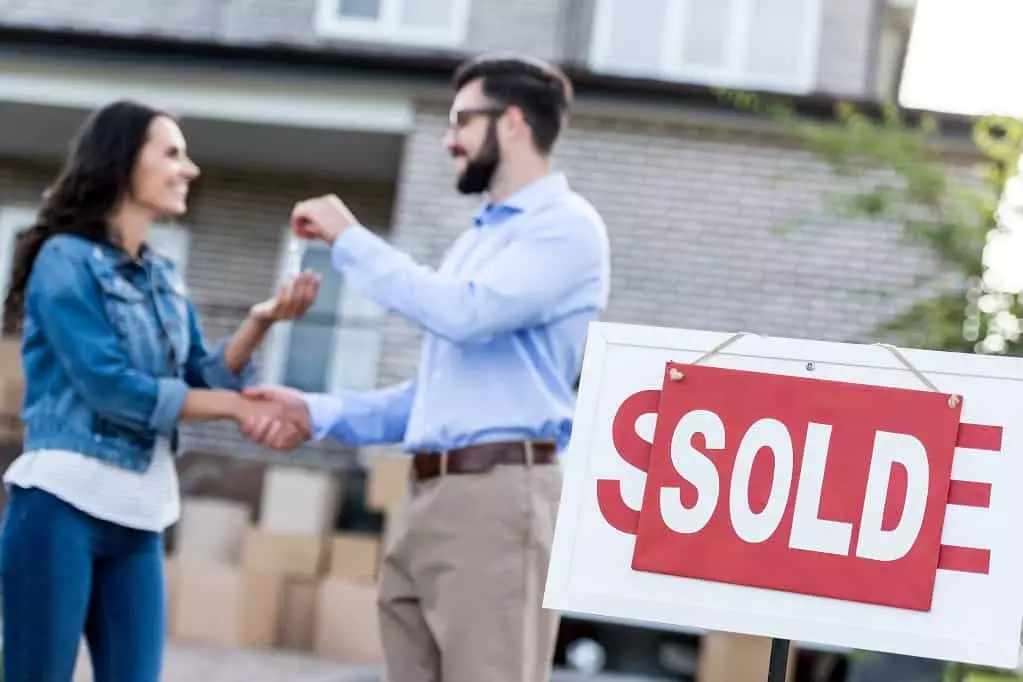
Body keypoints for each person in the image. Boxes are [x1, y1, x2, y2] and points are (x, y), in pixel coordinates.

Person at [241, 52, 611, 682]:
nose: (449, 140)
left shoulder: (567, 230)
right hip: (427, 499)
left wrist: (350, 240)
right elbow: (438, 397)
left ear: (514, 123)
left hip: (500, 499)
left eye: (462, 121)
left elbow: (461, 313)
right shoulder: (477, 242)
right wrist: (317, 411)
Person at [0, 100, 319, 682]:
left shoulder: (163, 275)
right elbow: (111, 388)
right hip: (59, 509)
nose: (189, 169)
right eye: (172, 153)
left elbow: (200, 377)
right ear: (123, 164)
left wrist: (261, 320)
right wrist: (235, 409)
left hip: (140, 516)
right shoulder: (64, 261)